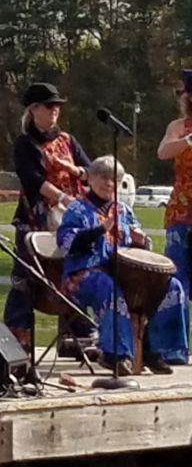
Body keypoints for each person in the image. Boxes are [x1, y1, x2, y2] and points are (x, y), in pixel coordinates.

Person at [58, 156, 188, 375]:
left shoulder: (124, 211)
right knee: (109, 287)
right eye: (103, 177)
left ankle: (158, 351)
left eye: (114, 180)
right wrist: (101, 229)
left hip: (124, 275)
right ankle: (115, 355)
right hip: (84, 275)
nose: (109, 183)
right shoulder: (77, 209)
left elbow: (143, 247)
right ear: (90, 178)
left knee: (172, 285)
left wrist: (142, 240)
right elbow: (66, 243)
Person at [3, 83, 93, 353]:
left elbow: (90, 170)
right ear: (34, 110)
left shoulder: (67, 140)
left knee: (74, 273)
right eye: (49, 106)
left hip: (70, 221)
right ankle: (17, 342)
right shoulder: (25, 143)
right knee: (27, 279)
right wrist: (63, 199)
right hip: (35, 219)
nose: (55, 111)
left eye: (58, 107)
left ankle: (77, 338)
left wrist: (74, 170)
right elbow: (33, 180)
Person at [157, 69, 192, 366]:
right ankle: (174, 349)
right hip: (182, 212)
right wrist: (187, 140)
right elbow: (162, 152)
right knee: (177, 281)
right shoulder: (178, 127)